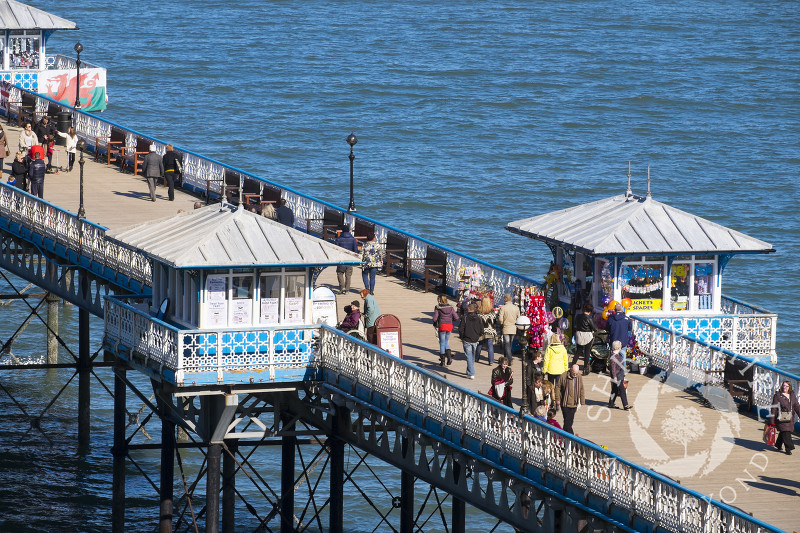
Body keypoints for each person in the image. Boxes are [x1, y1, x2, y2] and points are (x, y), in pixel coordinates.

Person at [770, 380, 800, 455]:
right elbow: (774, 408)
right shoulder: (777, 395)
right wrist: (772, 420)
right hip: (780, 417)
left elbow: (796, 406)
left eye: (786, 386)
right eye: (783, 385)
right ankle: (788, 448)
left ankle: (778, 444)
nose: (784, 387)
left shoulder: (792, 395)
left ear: (789, 387)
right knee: (786, 432)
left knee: (785, 431)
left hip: (790, 417)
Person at [554, 364, 584, 435]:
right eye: (574, 373)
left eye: (576, 373)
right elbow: (557, 387)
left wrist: (582, 400)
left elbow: (581, 388)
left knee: (569, 422)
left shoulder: (579, 376)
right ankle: (572, 438)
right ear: (570, 369)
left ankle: (565, 438)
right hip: (565, 403)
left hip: (574, 403)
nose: (575, 375)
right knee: (568, 422)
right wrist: (557, 399)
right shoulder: (564, 376)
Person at [458, 302, 482, 380]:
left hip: (467, 339)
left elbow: (461, 329)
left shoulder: (465, 318)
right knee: (472, 356)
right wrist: (478, 336)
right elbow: (481, 329)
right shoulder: (478, 318)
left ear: (468, 309)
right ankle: (469, 370)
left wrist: (462, 337)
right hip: (474, 339)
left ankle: (471, 373)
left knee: (469, 356)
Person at [433, 294, 459, 366]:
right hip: (449, 326)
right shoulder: (451, 307)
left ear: (440, 300)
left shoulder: (438, 307)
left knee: (442, 343)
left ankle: (442, 361)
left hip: (442, 326)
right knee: (446, 342)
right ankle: (449, 357)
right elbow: (456, 317)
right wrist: (451, 319)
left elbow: (435, 318)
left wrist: (436, 321)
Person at [572, 302, 597, 375]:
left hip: (579, 334)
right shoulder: (589, 318)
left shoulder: (578, 316)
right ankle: (585, 368)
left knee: (578, 351)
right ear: (590, 311)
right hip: (587, 335)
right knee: (587, 352)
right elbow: (594, 328)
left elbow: (576, 324)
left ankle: (573, 364)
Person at [334, 225, 359, 294]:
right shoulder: (353, 239)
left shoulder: (339, 239)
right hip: (350, 259)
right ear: (348, 230)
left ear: (342, 231)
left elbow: (335, 249)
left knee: (340, 273)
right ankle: (347, 290)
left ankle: (342, 287)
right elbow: (355, 250)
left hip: (341, 259)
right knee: (348, 275)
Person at [608, 340, 632, 410]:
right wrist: (614, 376)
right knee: (622, 390)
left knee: (614, 390)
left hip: (619, 375)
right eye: (620, 345)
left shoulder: (615, 355)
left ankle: (611, 403)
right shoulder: (614, 356)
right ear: (618, 347)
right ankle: (625, 405)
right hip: (617, 375)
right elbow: (613, 368)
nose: (621, 346)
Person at [475, 296, 498, 365]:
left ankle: (477, 358)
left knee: (480, 344)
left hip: (481, 331)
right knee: (490, 345)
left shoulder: (479, 313)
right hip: (490, 331)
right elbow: (494, 322)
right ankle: (491, 361)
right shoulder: (492, 312)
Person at [497, 293, 521, 362]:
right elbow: (518, 318)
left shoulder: (503, 308)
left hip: (506, 327)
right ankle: (506, 358)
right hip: (513, 327)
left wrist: (502, 324)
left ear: (505, 299)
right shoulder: (516, 308)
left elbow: (500, 319)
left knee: (507, 343)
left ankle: (509, 359)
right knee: (509, 343)